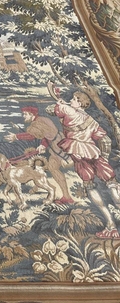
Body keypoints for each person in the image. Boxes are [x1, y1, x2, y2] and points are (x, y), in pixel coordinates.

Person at [53, 91, 120, 238]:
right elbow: (104, 139)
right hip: (94, 153)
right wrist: (104, 156)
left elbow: (56, 109)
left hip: (78, 152)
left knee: (89, 186)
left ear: (80, 103)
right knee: (112, 183)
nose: (71, 101)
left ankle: (110, 224)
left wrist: (59, 101)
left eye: (74, 99)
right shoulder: (91, 120)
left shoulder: (69, 111)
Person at [4, 106, 73, 204]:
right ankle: (65, 196)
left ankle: (66, 197)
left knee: (53, 168)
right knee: (52, 168)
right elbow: (46, 134)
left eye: (25, 114)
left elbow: (31, 136)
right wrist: (43, 145)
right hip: (56, 144)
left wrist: (16, 136)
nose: (24, 116)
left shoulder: (38, 123)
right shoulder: (42, 120)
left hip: (58, 147)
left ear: (31, 114)